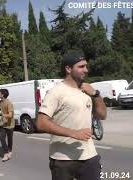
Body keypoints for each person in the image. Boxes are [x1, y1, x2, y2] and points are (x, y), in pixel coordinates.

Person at [36, 51, 107, 180]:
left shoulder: (87, 90)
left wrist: (96, 94)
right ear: (68, 69)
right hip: (63, 159)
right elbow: (41, 122)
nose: (86, 70)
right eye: (81, 67)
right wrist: (73, 133)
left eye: (86, 66)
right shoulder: (56, 92)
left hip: (89, 156)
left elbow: (102, 115)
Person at [0, 89, 14, 162]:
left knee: (9, 139)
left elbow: (10, 115)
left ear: (3, 95)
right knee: (2, 138)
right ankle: (6, 153)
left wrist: (1, 114)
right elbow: (0, 109)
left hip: (10, 124)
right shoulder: (1, 102)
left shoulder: (9, 103)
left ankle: (10, 151)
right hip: (2, 124)